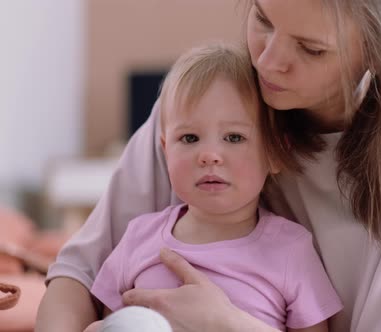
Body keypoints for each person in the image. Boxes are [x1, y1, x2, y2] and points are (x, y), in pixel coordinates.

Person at [37, 1, 381, 331]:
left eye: (310, 49)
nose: (267, 61)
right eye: (263, 19)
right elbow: (80, 274)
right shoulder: (202, 112)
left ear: (377, 55)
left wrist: (229, 324)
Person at [81, 44, 343, 332]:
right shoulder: (137, 238)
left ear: (274, 152)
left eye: (233, 137)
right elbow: (111, 321)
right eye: (190, 138)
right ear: (166, 150)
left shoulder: (292, 249)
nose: (209, 155)